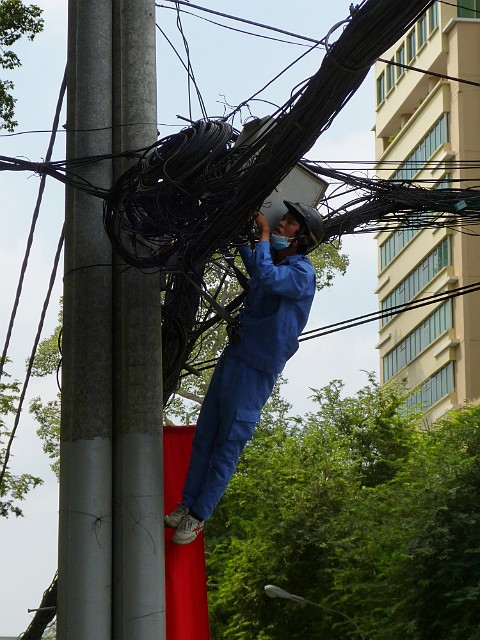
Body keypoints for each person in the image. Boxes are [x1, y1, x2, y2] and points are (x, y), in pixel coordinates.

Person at [165, 200, 325, 544]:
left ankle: (198, 516)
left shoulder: (301, 273)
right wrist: (241, 228)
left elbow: (265, 275)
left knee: (227, 445)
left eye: (290, 223)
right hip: (235, 357)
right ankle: (187, 502)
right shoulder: (277, 261)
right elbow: (254, 261)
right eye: (282, 219)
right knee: (206, 436)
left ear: (303, 239)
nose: (281, 224)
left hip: (256, 371)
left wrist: (264, 235)